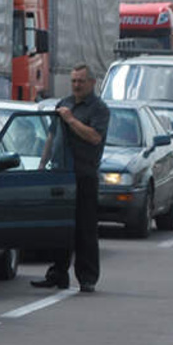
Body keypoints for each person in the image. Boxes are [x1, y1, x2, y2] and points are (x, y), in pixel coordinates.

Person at [31, 63, 109, 293]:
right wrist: (42, 164)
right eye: (73, 81)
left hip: (84, 176)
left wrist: (71, 120)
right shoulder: (63, 104)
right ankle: (57, 273)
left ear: (92, 83)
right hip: (61, 175)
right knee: (60, 227)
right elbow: (51, 136)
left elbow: (94, 137)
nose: (76, 85)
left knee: (85, 229)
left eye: (81, 81)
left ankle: (87, 278)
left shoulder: (99, 109)